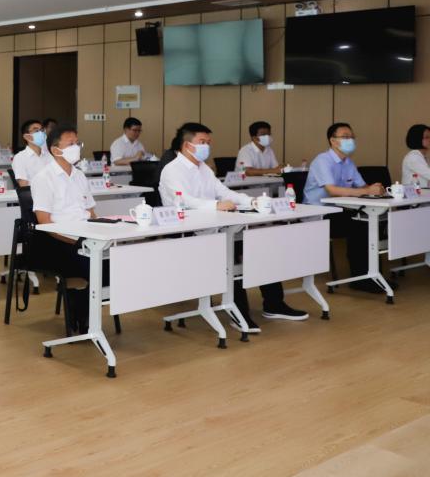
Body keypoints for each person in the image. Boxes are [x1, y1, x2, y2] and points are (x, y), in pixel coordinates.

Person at [159, 122, 307, 326]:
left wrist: (250, 201)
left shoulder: (204, 169)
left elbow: (224, 192)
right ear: (187, 145)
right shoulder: (172, 170)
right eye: (202, 142)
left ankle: (274, 304)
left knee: (262, 247)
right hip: (188, 233)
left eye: (208, 142)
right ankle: (239, 313)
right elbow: (184, 200)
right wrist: (216, 205)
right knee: (230, 256)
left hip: (214, 227)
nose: (207, 146)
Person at [30, 125, 100, 334]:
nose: (76, 147)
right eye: (71, 144)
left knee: (110, 260)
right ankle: (82, 316)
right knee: (90, 262)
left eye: (77, 143)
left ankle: (89, 315)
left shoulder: (80, 176)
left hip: (85, 236)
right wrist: (78, 242)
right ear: (55, 150)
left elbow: (91, 213)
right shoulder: (44, 178)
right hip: (57, 241)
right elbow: (44, 222)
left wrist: (99, 233)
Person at [303, 122, 387, 293]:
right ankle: (361, 279)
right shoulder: (322, 160)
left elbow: (362, 186)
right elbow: (332, 190)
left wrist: (375, 188)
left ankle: (373, 275)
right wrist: (366, 191)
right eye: (345, 137)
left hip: (340, 210)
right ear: (333, 140)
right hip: (320, 214)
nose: (350, 140)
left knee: (368, 222)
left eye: (352, 137)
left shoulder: (348, 162)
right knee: (360, 225)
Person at [12, 120, 53, 187]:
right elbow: (23, 185)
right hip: (33, 193)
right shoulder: (20, 157)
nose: (41, 133)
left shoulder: (49, 156)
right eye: (36, 131)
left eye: (42, 130)